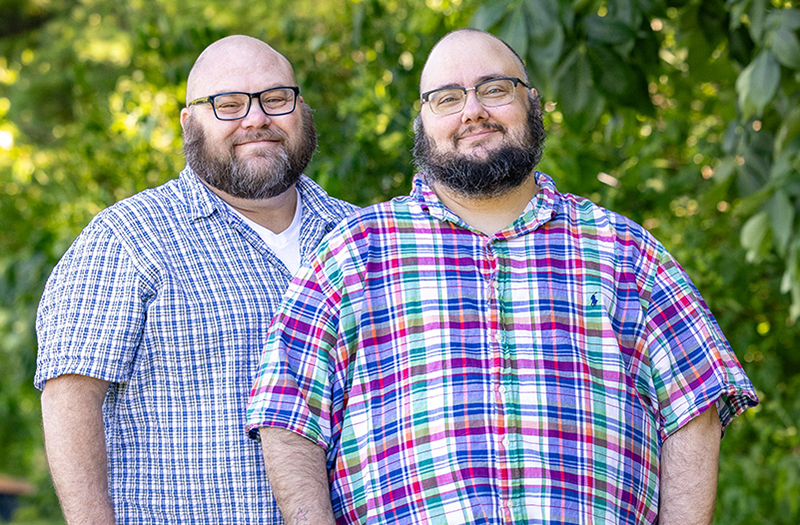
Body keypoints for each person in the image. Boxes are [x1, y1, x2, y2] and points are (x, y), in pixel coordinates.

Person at [246, 28, 758, 525]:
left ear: (532, 104)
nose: (473, 110)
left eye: (494, 89)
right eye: (447, 98)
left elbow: (696, 409)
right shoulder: (353, 252)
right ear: (423, 122)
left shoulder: (623, 250)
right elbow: (288, 419)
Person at [35, 35, 355, 523]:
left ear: (301, 110)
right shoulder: (127, 239)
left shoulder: (360, 236)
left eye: (276, 99)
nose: (256, 119)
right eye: (228, 105)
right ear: (190, 122)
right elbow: (69, 398)